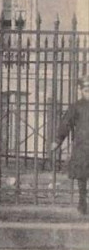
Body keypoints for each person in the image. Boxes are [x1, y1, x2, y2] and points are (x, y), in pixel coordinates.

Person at [51, 76, 89, 215]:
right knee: (82, 176)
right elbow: (65, 123)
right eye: (86, 89)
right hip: (82, 146)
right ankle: (82, 202)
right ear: (80, 90)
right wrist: (57, 140)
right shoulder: (76, 107)